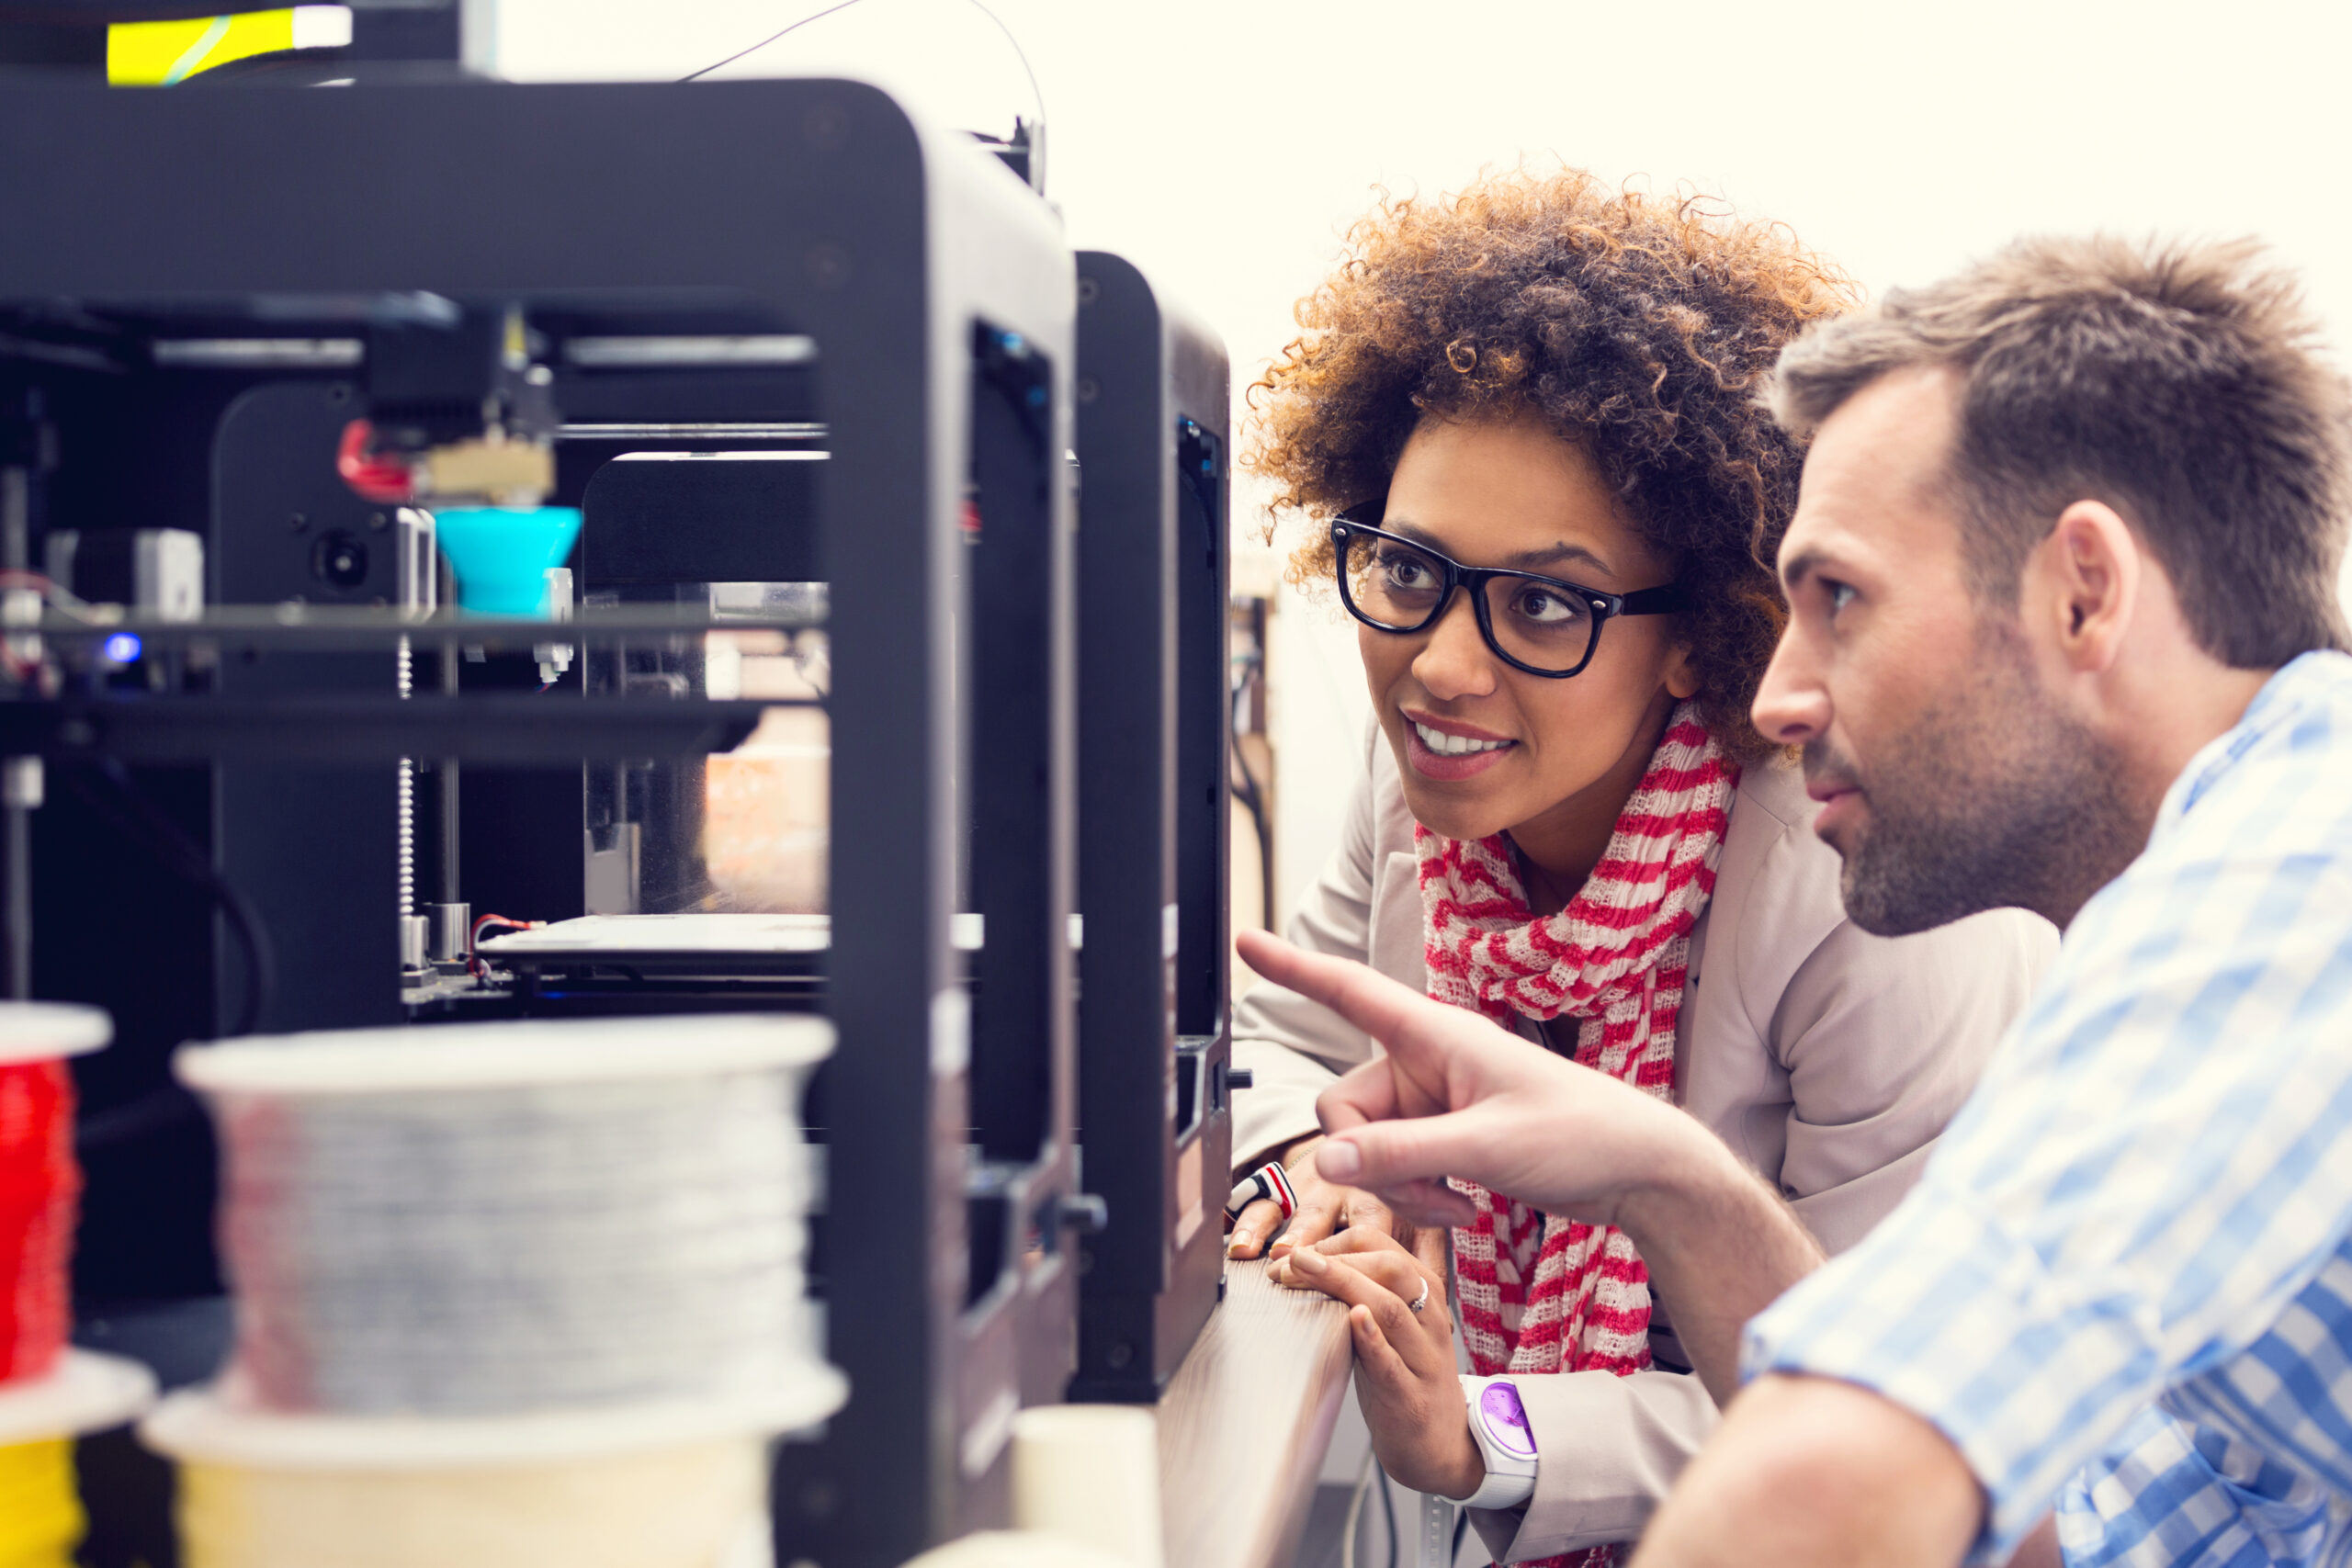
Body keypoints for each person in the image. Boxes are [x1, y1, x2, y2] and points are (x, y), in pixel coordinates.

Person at [1256, 234, 2352, 1568]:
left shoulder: (2298, 882)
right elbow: (2065, 1533)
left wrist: (1500, 1422)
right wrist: (1672, 1181)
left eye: (1841, 600)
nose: (1773, 695)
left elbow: (1841, 1479)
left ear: (2084, 594)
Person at [1223, 168, 2054, 1564]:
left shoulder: (1876, 892)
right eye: (1411, 570)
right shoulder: (1433, 772)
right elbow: (1294, 1037)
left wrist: (1495, 1432)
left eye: (1543, 601)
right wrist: (1316, 1164)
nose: (1439, 664)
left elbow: (1883, 1398)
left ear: (1700, 632)